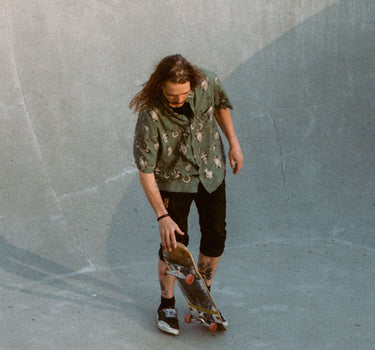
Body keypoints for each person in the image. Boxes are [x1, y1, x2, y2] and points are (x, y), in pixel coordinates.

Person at [130, 54, 243, 335]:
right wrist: (162, 215)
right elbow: (145, 171)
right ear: (160, 88)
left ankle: (202, 300)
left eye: (183, 95)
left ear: (192, 85)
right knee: (174, 244)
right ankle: (166, 304)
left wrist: (234, 144)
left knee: (216, 235)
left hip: (210, 171)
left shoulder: (207, 81)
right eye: (172, 96)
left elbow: (220, 106)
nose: (178, 100)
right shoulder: (150, 116)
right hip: (173, 181)